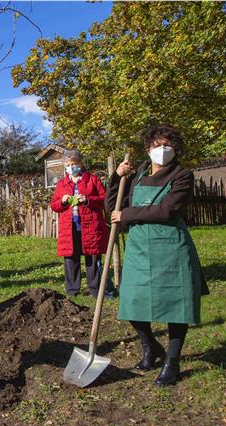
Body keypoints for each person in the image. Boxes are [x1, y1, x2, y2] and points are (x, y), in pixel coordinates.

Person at [107, 125, 207, 386]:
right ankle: (150, 347)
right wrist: (117, 178)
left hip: (171, 247)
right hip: (140, 249)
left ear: (175, 149)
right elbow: (113, 207)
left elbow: (168, 210)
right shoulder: (137, 176)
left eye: (168, 145)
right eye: (156, 145)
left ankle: (172, 362)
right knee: (131, 300)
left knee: (177, 306)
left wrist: (128, 215)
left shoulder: (183, 175)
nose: (162, 150)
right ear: (148, 149)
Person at [50, 149, 115, 297]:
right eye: (68, 164)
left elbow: (104, 199)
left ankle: (96, 290)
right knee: (71, 259)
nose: (71, 167)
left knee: (92, 258)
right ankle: (72, 290)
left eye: (74, 163)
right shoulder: (62, 184)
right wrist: (62, 201)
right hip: (70, 228)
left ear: (80, 164)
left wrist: (87, 199)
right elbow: (54, 205)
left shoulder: (92, 180)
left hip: (90, 226)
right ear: (65, 166)